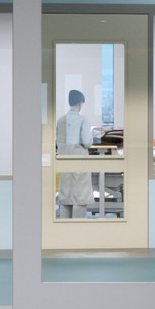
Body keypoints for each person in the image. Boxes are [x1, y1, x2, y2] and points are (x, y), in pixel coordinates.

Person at [54, 89, 95, 217]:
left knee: (66, 199)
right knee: (80, 200)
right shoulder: (83, 120)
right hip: (79, 164)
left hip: (64, 164)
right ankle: (78, 230)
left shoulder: (60, 120)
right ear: (80, 102)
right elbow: (87, 142)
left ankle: (65, 229)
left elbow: (58, 142)